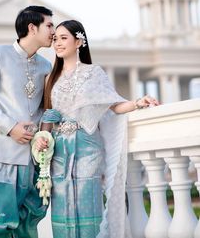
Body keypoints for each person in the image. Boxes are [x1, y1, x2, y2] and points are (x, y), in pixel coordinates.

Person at [34, 20, 159, 238]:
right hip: (59, 151)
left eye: (64, 38)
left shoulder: (94, 73)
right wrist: (42, 137)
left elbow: (114, 104)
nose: (57, 43)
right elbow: (48, 115)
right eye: (55, 39)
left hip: (87, 146)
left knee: (87, 202)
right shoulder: (50, 78)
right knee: (62, 205)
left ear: (79, 41)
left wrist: (138, 102)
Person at [0, 5, 54, 238]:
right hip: (1, 155)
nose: (53, 31)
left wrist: (41, 135)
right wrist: (11, 127)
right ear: (31, 27)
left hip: (33, 158)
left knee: (28, 226)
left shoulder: (46, 66)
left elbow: (43, 109)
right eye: (49, 25)